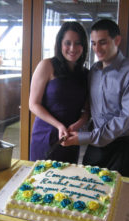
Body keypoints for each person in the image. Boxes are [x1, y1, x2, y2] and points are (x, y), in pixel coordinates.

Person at [62, 19, 129, 178]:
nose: (97, 49)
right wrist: (79, 126)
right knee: (89, 193)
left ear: (117, 40)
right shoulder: (93, 71)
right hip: (96, 146)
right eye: (94, 43)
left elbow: (126, 118)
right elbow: (90, 108)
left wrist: (84, 137)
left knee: (118, 199)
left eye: (103, 42)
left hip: (123, 148)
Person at [29, 22, 89, 163]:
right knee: (40, 180)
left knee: (67, 180)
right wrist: (58, 125)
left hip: (70, 138)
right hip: (45, 134)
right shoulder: (47, 65)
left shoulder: (86, 74)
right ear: (60, 44)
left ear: (84, 46)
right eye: (67, 43)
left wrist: (78, 124)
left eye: (78, 43)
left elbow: (87, 110)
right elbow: (33, 104)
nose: (72, 48)